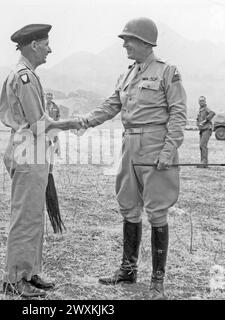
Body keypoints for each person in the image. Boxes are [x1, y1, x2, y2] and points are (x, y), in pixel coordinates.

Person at [78, 17, 187, 299]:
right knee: (128, 205)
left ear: (144, 42)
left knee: (157, 210)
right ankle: (128, 270)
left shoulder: (167, 72)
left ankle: (157, 282)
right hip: (129, 144)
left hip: (155, 144)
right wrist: (85, 121)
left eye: (128, 40)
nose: (124, 44)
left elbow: (177, 114)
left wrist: (168, 150)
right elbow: (111, 105)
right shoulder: (126, 74)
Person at [0, 24, 82, 298]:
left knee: (34, 215)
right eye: (46, 44)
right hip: (28, 149)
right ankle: (15, 278)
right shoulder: (24, 77)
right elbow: (38, 124)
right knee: (25, 217)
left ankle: (30, 272)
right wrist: (72, 123)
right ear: (33, 44)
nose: (50, 49)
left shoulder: (29, 75)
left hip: (34, 150)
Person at [196, 96, 215, 168]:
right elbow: (198, 119)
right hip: (202, 130)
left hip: (207, 129)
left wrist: (205, 120)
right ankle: (203, 162)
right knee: (201, 146)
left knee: (202, 145)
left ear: (205, 101)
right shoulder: (200, 110)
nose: (201, 102)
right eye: (200, 101)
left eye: (202, 101)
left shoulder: (207, 108)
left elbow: (212, 113)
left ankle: (204, 162)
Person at [46, 92, 61, 156]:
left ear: (52, 98)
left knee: (56, 138)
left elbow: (58, 115)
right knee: (46, 138)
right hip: (46, 125)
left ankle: (58, 151)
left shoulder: (56, 106)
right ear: (46, 98)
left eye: (50, 98)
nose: (49, 99)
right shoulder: (43, 106)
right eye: (48, 98)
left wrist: (57, 122)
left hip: (54, 124)